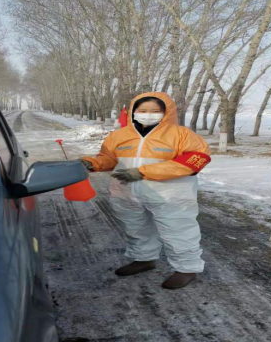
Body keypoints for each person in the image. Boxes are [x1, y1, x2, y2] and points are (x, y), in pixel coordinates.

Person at [81, 92, 211, 289]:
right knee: (136, 228)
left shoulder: (182, 135)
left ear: (166, 112)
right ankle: (143, 260)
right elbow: (108, 158)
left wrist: (143, 172)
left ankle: (186, 268)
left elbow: (193, 162)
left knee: (178, 231)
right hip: (126, 191)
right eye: (142, 110)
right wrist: (92, 163)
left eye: (155, 111)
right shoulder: (119, 135)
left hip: (169, 194)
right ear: (133, 111)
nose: (148, 114)